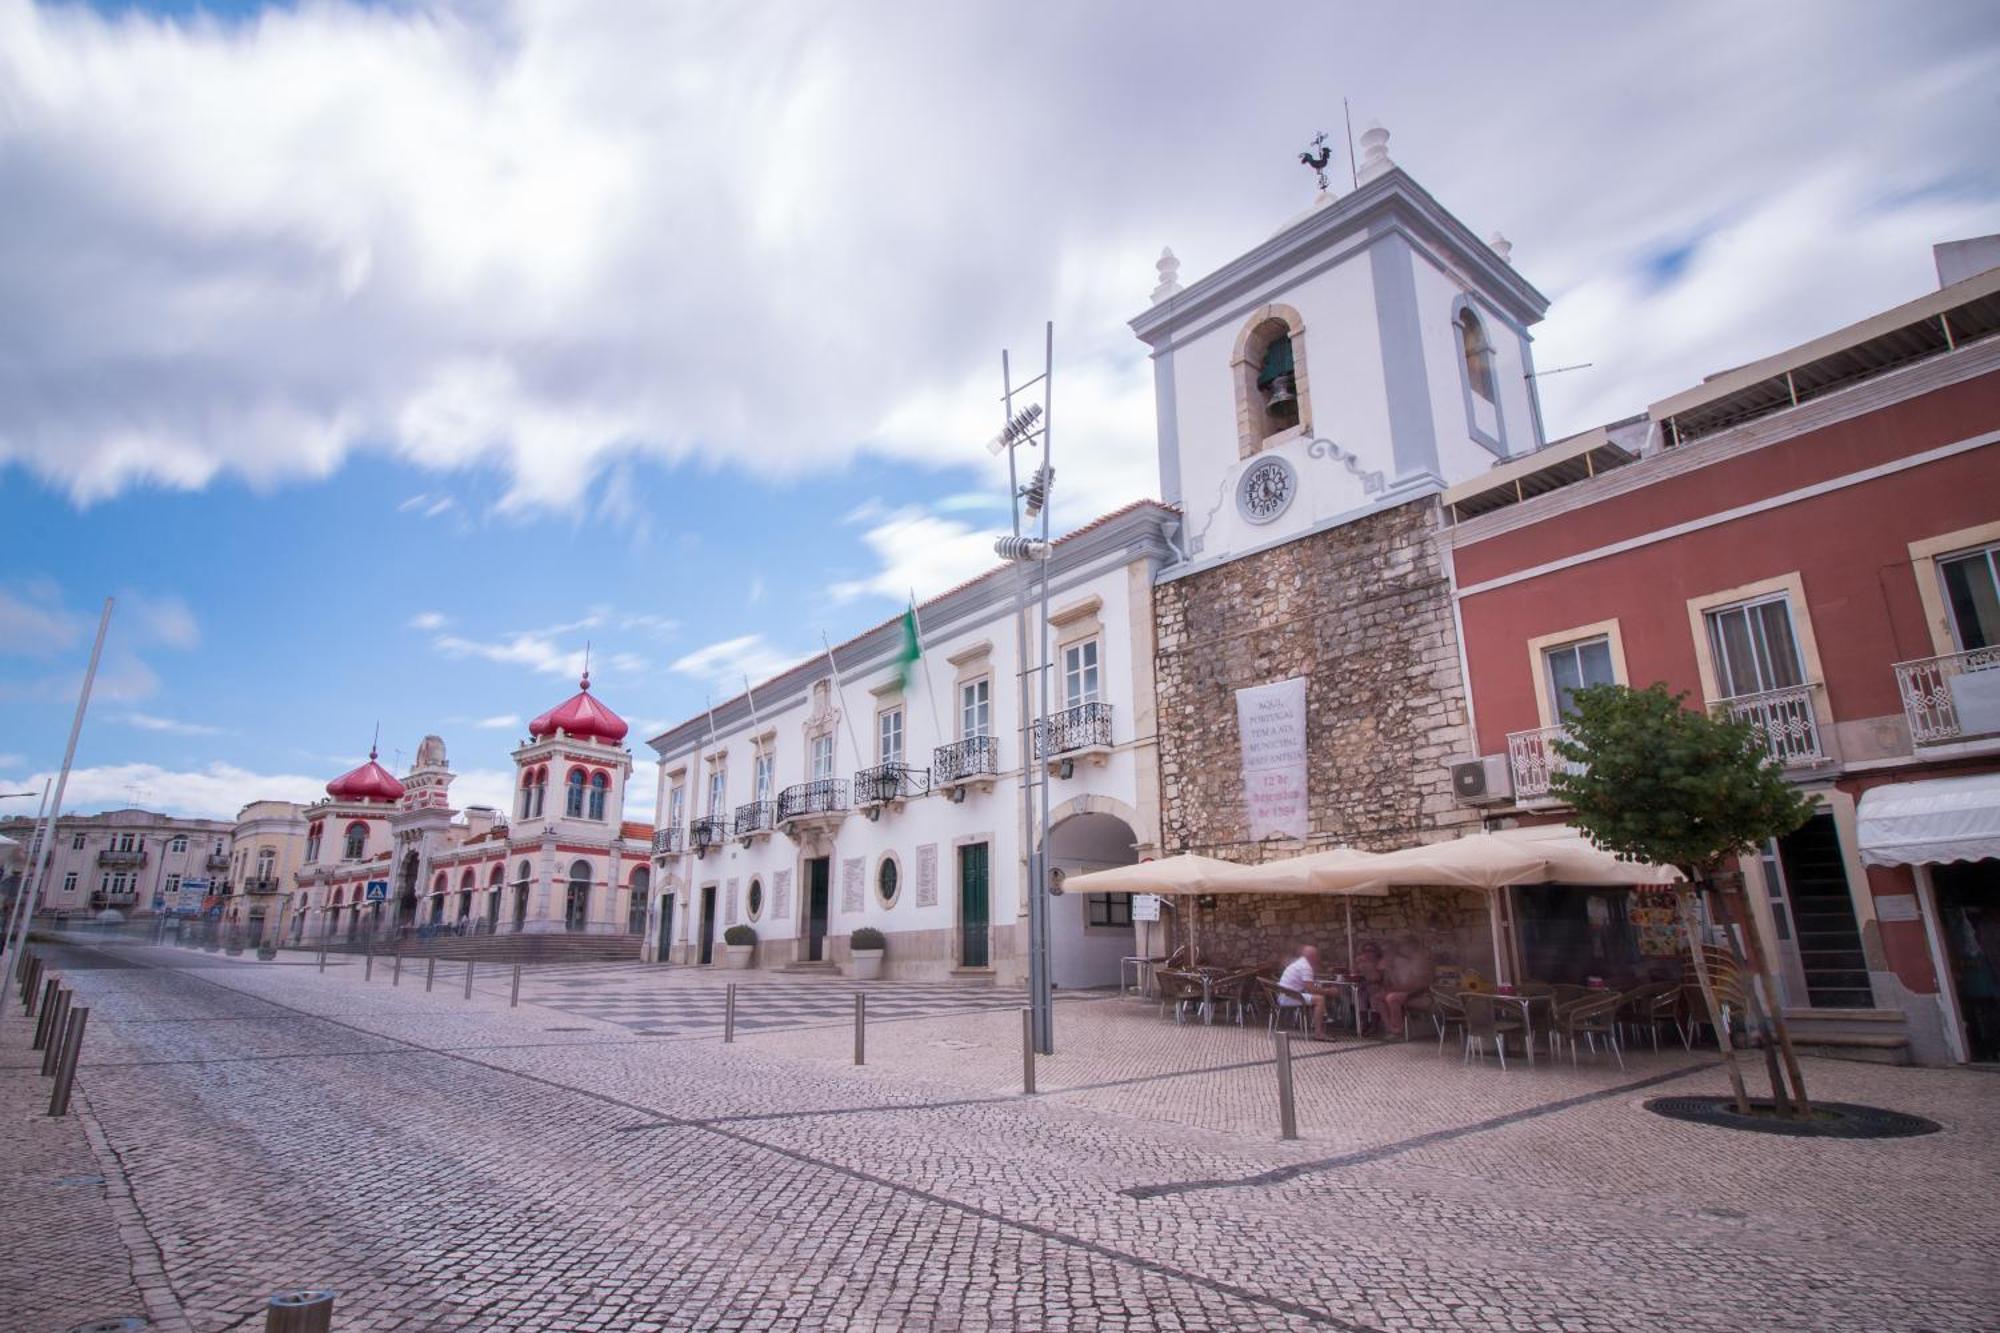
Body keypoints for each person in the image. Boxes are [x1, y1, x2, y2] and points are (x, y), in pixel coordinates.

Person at [1277, 944, 1329, 1036]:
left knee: (1318, 997)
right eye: (1316, 955)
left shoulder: (1300, 963)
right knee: (1320, 999)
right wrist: (1329, 991)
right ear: (1312, 956)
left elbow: (1308, 986)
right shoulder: (1305, 966)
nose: (1318, 958)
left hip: (1284, 995)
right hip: (1289, 998)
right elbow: (1310, 988)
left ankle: (1323, 1016)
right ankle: (1319, 1033)